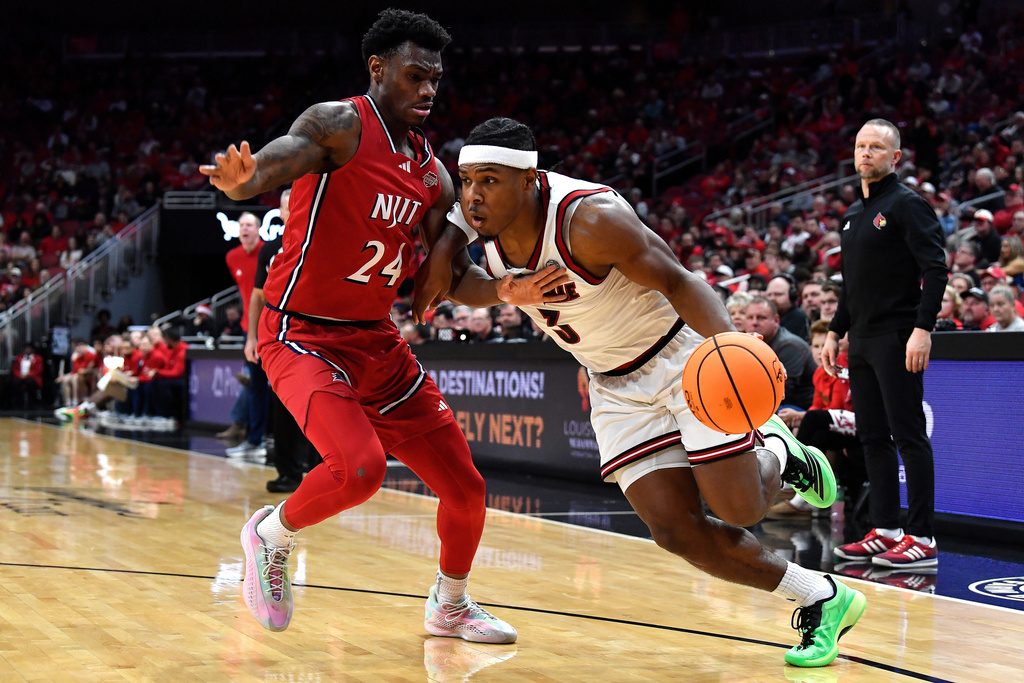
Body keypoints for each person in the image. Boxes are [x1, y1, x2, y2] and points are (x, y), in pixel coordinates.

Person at [416, 116, 863, 668]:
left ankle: (779, 450)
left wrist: (728, 352)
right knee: (674, 530)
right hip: (612, 384)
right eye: (467, 181)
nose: (474, 194)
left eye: (488, 180)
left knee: (740, 507)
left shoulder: (590, 220)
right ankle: (821, 596)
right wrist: (506, 287)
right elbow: (451, 284)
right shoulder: (479, 217)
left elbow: (679, 280)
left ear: (530, 180)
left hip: (681, 360)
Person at [199, 10, 556, 644]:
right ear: (378, 68)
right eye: (416, 76)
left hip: (375, 341)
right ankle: (268, 534)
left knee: (466, 489)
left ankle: (450, 606)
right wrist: (246, 181)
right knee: (358, 469)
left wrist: (508, 289)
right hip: (302, 334)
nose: (427, 91)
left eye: (435, 81)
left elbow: (449, 275)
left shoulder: (431, 174)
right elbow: (280, 161)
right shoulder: (338, 125)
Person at [824, 119, 948, 570]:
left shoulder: (908, 205)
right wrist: (836, 331)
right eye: (860, 146)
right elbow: (853, 285)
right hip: (862, 339)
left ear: (895, 157)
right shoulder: (853, 215)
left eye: (877, 147)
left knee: (909, 435)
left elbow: (935, 269)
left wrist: (923, 328)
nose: (866, 153)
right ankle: (885, 529)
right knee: (872, 436)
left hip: (898, 336)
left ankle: (922, 535)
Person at [244, 188, 322, 493]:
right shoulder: (270, 250)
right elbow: (257, 296)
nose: (294, 212)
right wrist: (251, 337)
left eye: (299, 206)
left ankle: (321, 474)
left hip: (318, 336)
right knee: (283, 407)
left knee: (320, 406)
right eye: (289, 208)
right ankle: (288, 473)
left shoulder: (322, 243)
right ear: (281, 213)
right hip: (281, 338)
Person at [224, 211, 269, 458]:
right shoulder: (232, 257)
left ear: (259, 229)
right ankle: (255, 440)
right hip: (248, 330)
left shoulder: (269, 252)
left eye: (250, 224)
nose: (245, 229)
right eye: (241, 225)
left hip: (274, 328)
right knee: (256, 386)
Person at [745, 297, 816, 409]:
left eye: (761, 318)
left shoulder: (790, 345)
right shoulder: (748, 343)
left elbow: (783, 391)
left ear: (776, 320)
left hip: (801, 408)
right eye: (750, 318)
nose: (754, 323)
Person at [766, 274, 811, 342]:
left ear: (791, 296)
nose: (772, 299)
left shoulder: (798, 317)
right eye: (769, 295)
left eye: (778, 294)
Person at [11, 342, 44, 410]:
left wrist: (27, 375)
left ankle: (31, 403)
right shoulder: (19, 357)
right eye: (26, 349)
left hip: (32, 377)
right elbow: (15, 368)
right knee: (16, 382)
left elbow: (38, 370)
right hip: (20, 376)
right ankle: (18, 404)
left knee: (30, 383)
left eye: (29, 349)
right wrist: (20, 375)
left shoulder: (38, 358)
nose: (27, 350)